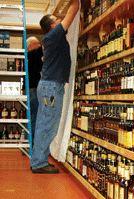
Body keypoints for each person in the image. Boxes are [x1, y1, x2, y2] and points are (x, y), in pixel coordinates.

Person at [31, 0, 79, 174]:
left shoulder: (51, 38)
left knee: (46, 123)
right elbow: (73, 11)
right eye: (56, 20)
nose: (60, 20)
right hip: (51, 88)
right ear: (53, 25)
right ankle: (39, 163)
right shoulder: (54, 35)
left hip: (49, 87)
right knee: (47, 124)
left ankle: (38, 160)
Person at [27, 36, 43, 147]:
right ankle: (32, 146)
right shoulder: (30, 55)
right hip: (33, 93)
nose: (38, 45)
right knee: (34, 120)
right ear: (29, 47)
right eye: (36, 43)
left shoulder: (31, 58)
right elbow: (41, 50)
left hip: (31, 92)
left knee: (31, 119)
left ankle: (28, 145)